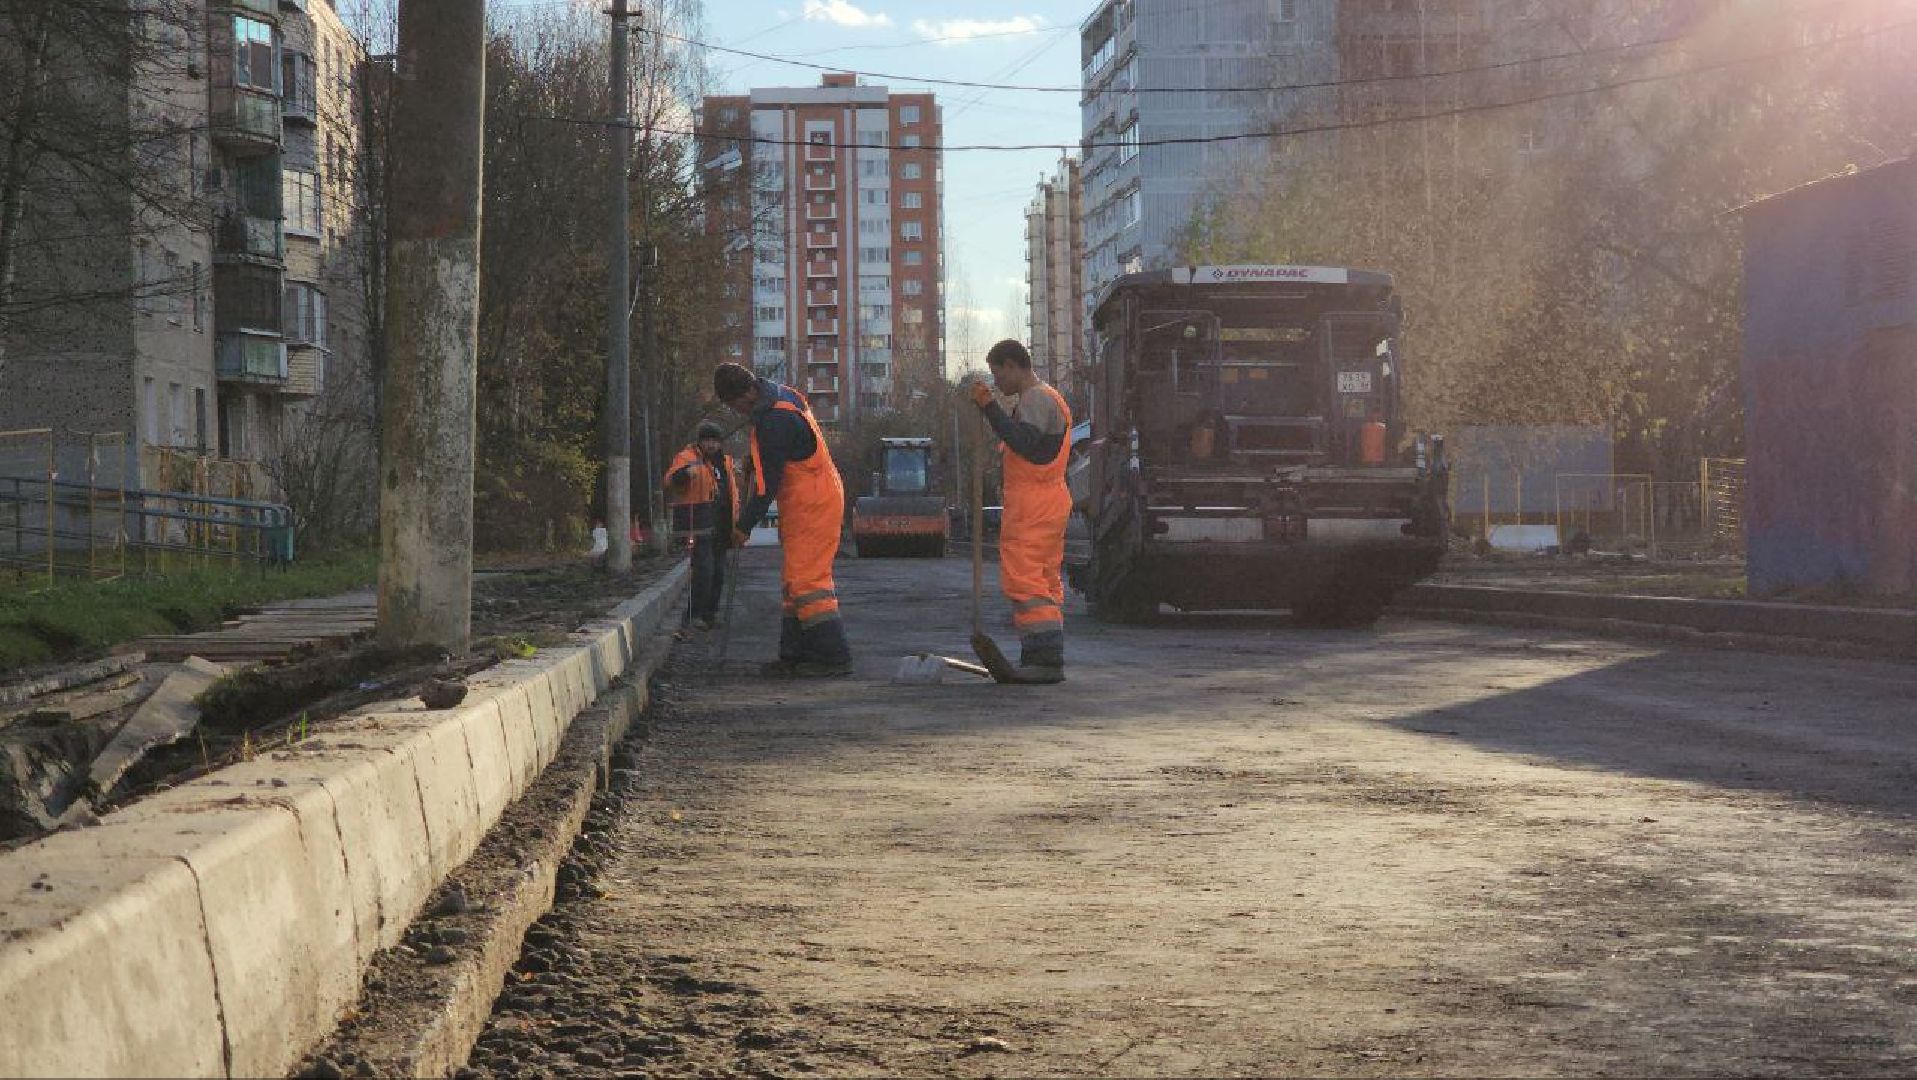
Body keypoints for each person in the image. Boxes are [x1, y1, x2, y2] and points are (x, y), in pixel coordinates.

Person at [713, 362, 853, 677]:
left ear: (746, 393)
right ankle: (793, 655)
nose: (737, 411)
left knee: (808, 582)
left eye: (735, 405)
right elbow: (788, 449)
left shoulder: (773, 420)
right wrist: (758, 458)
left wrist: (743, 526)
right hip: (809, 499)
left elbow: (766, 488)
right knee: (794, 581)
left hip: (813, 502)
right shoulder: (780, 397)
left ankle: (833, 657)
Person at [970, 339, 1072, 683]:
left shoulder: (1036, 399)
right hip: (1047, 500)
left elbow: (1023, 442)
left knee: (1025, 578)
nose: (997, 382)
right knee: (1044, 580)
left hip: (1033, 506)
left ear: (1013, 366)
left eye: (998, 374)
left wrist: (989, 407)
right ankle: (1046, 656)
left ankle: (1043, 659)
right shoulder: (1046, 398)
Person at [664, 419, 742, 631]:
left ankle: (710, 614)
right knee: (704, 572)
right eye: (707, 440)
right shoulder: (687, 458)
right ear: (699, 441)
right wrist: (684, 474)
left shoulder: (725, 463)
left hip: (722, 527)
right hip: (698, 525)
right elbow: (669, 480)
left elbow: (731, 494)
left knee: (718, 573)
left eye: (715, 441)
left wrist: (736, 525)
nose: (711, 445)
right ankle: (695, 614)